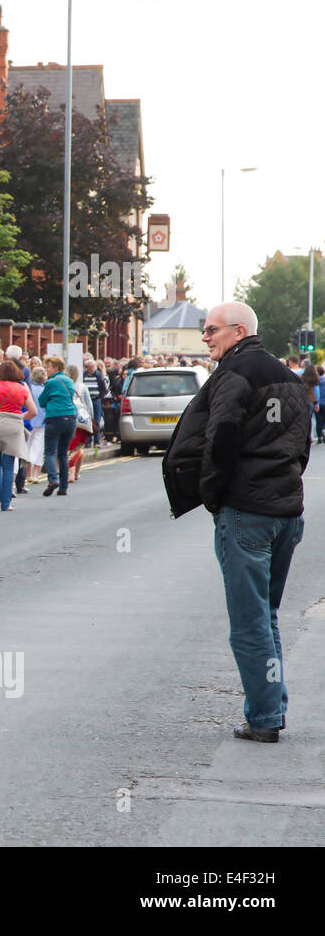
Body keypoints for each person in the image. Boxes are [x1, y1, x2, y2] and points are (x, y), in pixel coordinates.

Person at [163, 302, 311, 742]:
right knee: (266, 615)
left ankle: (264, 718)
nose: (205, 337)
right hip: (286, 511)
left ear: (238, 330)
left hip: (247, 512)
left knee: (249, 622)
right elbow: (302, 444)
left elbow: (220, 437)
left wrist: (211, 495)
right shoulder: (291, 377)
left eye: (211, 330)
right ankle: (271, 708)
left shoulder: (233, 375)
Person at [0, 360, 37, 511]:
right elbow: (33, 411)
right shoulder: (22, 388)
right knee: (9, 465)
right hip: (14, 425)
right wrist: (19, 417)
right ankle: (6, 503)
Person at [38, 355, 78, 496]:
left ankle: (52, 480)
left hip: (55, 418)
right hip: (71, 418)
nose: (46, 370)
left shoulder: (51, 382)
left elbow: (42, 401)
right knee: (63, 453)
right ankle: (63, 487)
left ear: (55, 367)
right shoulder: (69, 381)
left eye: (47, 367)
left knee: (49, 452)